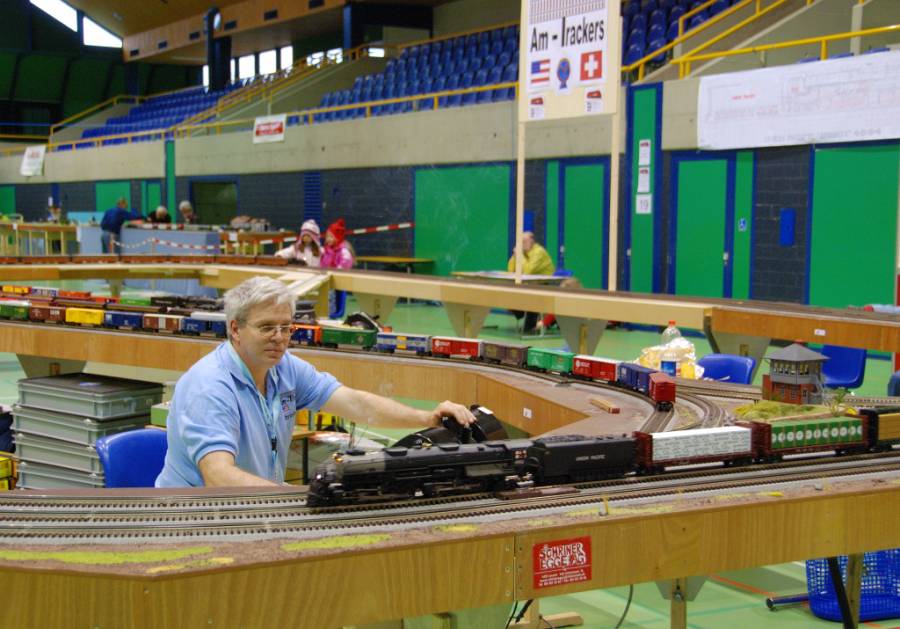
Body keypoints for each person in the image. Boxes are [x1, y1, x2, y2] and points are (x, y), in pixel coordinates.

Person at [156, 277, 475, 487]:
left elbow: (355, 403)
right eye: (267, 327)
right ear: (235, 329)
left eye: (286, 327)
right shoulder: (210, 386)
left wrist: (426, 418)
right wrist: (297, 501)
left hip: (254, 510)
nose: (279, 338)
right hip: (195, 523)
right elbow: (218, 476)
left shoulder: (284, 369)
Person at [507, 231, 555, 332]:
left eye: (524, 241)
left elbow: (528, 271)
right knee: (510, 297)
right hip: (532, 285)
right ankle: (520, 313)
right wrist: (515, 256)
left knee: (532, 297)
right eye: (520, 242)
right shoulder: (523, 253)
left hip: (547, 285)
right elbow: (511, 270)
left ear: (532, 241)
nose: (522, 244)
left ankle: (530, 327)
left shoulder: (539, 252)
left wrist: (520, 256)